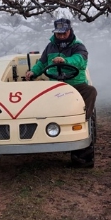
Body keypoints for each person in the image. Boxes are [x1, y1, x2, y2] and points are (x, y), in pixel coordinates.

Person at [25, 18, 97, 167]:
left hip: (75, 85)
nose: (62, 36)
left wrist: (65, 60)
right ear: (55, 33)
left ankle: (83, 121)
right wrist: (33, 72)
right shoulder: (50, 47)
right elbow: (42, 63)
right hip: (55, 86)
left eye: (64, 33)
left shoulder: (78, 46)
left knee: (91, 91)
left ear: (70, 31)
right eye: (59, 33)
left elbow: (80, 60)